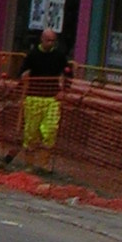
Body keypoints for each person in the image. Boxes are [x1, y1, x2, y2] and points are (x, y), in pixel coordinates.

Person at [18, 26, 70, 155]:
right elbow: (22, 71)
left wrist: (64, 90)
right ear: (42, 39)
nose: (51, 43)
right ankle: (28, 160)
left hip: (52, 97)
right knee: (31, 131)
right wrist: (23, 76)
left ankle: (45, 159)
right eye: (48, 40)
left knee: (51, 128)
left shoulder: (59, 56)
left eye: (53, 41)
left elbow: (68, 73)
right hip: (34, 96)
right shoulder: (32, 55)